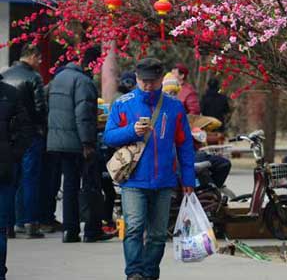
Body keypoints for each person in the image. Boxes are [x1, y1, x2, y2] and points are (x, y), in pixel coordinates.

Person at [105, 57, 195, 280]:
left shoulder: (174, 107)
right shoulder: (123, 104)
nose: (147, 85)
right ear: (136, 78)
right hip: (133, 180)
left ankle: (150, 273)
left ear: (161, 79)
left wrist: (188, 179)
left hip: (164, 180)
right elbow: (108, 137)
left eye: (152, 81)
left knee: (157, 235)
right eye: (143, 80)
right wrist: (131, 131)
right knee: (134, 228)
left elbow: (184, 145)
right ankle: (134, 273)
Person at [46, 46, 112, 243]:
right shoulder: (83, 82)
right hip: (78, 141)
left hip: (58, 141)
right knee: (91, 183)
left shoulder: (57, 79)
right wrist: (87, 142)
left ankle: (70, 230)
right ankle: (92, 229)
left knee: (70, 185)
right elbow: (84, 115)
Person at [2, 44, 47, 238]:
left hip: (8, 135)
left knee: (11, 179)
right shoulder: (33, 77)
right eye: (39, 58)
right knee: (30, 178)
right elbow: (40, 109)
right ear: (32, 56)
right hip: (30, 134)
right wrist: (41, 128)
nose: (40, 62)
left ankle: (9, 224)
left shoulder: (5, 75)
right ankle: (30, 222)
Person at [0, 70, 33, 280]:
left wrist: (13, 155)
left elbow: (25, 129)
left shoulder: (10, 94)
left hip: (3, 169)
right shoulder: (10, 93)